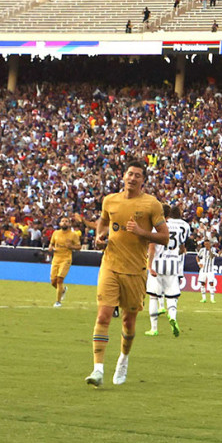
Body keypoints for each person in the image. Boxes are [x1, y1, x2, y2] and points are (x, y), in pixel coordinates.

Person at [86, 160, 168, 387]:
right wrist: (99, 236)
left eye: (137, 175)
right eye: (129, 174)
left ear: (143, 180)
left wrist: (142, 232)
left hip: (135, 271)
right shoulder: (110, 200)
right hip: (110, 265)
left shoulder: (152, 204)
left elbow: (164, 237)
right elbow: (102, 223)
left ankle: (123, 357)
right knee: (103, 315)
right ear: (123, 176)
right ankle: (98, 369)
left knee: (128, 321)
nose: (132, 178)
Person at [145, 203, 191, 337]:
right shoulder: (184, 226)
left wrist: (149, 265)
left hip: (158, 264)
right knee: (172, 296)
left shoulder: (159, 226)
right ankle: (172, 316)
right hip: (174, 265)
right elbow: (183, 248)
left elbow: (152, 248)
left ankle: (154, 328)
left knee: (153, 296)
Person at [47, 216, 81, 307]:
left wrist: (71, 247)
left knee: (59, 279)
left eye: (66, 221)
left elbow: (79, 247)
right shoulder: (56, 233)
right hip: (56, 258)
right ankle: (62, 290)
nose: (64, 223)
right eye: (63, 221)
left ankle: (58, 302)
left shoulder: (73, 235)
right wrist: (50, 247)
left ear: (69, 224)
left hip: (66, 259)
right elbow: (52, 243)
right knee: (53, 281)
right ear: (60, 224)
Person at [196, 238, 218, 303]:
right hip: (203, 269)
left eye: (207, 244)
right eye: (205, 244)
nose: (206, 245)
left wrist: (209, 250)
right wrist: (199, 263)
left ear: (210, 244)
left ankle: (212, 298)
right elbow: (197, 256)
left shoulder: (213, 249)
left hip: (210, 270)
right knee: (202, 283)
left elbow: (212, 256)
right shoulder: (202, 250)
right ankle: (204, 298)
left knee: (211, 283)